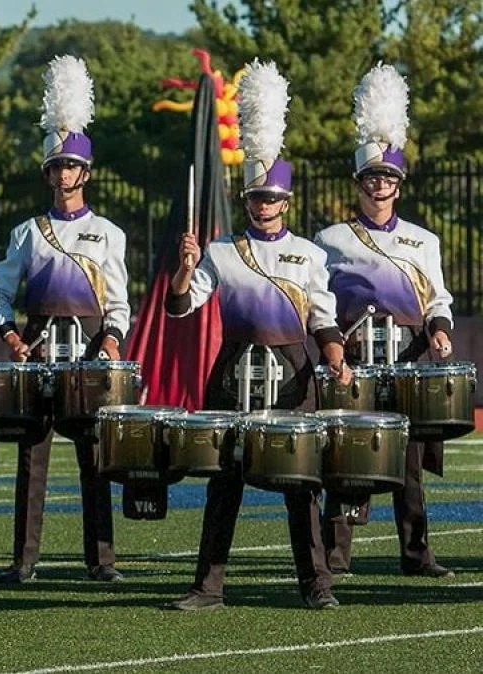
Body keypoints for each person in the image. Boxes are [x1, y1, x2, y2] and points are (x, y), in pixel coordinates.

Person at [164, 61, 351, 611]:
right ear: (246, 200)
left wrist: (336, 356)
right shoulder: (221, 251)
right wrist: (183, 266)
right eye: (255, 199)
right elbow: (182, 306)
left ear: (286, 202)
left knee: (300, 487)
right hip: (233, 372)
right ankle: (208, 587)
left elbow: (323, 319)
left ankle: (316, 585)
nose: (263, 206)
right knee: (225, 482)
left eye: (271, 199)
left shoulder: (312, 255)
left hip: (293, 376)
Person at [0, 55, 128, 584]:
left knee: (94, 456)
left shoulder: (110, 233)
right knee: (31, 459)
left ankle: (102, 561)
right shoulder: (27, 232)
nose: (64, 175)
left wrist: (111, 341)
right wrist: (10, 337)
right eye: (56, 167)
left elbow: (119, 301)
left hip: (88, 355)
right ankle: (23, 562)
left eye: (72, 166)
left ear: (85, 172)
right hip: (39, 352)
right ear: (47, 173)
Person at [316, 63, 455, 579]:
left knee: (409, 462)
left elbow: (438, 297)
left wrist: (439, 330)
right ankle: (336, 555)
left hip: (408, 360)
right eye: (372, 176)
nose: (380, 185)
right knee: (348, 457)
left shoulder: (425, 241)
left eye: (388, 178)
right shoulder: (330, 239)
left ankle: (416, 555)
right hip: (354, 360)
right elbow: (319, 303)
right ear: (359, 182)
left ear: (399, 184)